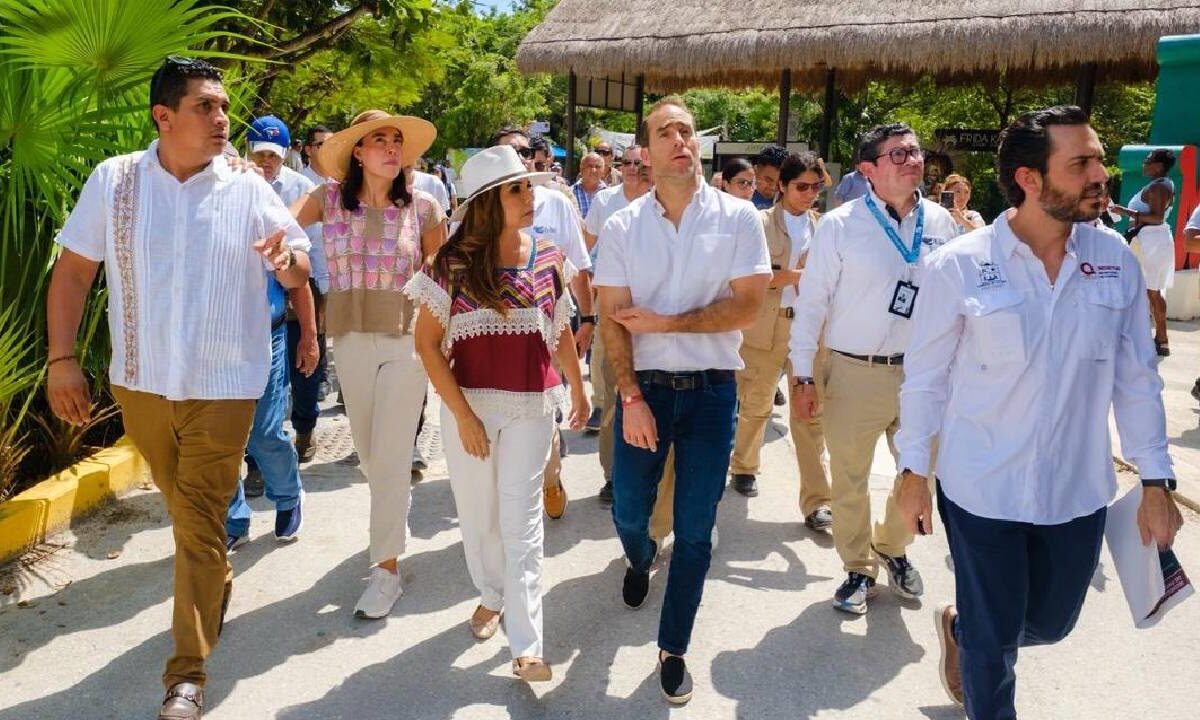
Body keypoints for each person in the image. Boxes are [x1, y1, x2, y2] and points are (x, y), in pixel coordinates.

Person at [894, 105, 1183, 719]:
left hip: (1075, 492)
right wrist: (913, 473)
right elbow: (925, 380)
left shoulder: (1115, 261)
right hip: (981, 491)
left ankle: (963, 627)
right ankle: (982, 660)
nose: (1100, 173)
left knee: (1051, 626)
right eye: (1081, 163)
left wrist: (1157, 482)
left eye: (1099, 158)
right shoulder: (960, 265)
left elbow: (1137, 381)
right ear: (1029, 178)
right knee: (997, 647)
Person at [45, 56, 310, 720]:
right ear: (164, 117)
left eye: (224, 106)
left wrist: (287, 261)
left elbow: (299, 262)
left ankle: (186, 675)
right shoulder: (116, 182)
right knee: (192, 519)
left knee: (196, 521)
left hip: (226, 386)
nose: (223, 119)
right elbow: (74, 271)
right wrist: (61, 358)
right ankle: (214, 578)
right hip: (141, 384)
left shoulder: (248, 188)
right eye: (205, 107)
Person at [594, 96, 771, 704]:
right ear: (646, 150)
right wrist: (630, 395)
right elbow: (612, 318)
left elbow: (750, 304)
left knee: (697, 530)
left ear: (700, 143)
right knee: (626, 513)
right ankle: (639, 558)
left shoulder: (739, 218)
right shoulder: (621, 225)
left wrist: (667, 325)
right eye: (665, 131)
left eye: (687, 130)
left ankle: (673, 649)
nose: (679, 139)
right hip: (644, 392)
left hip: (712, 393)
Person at [407, 145, 588, 683]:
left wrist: (578, 388)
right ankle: (491, 594)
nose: (530, 197)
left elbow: (559, 335)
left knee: (522, 523)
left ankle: (527, 646)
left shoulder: (551, 255)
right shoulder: (451, 262)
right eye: (516, 189)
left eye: (530, 186)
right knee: (479, 516)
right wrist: (462, 416)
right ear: (488, 203)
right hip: (470, 408)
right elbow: (427, 346)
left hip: (532, 407)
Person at [790, 122, 958, 615]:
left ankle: (893, 546)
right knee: (850, 477)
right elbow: (812, 305)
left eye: (915, 151)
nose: (912, 159)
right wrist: (803, 376)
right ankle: (857, 568)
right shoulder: (840, 226)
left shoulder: (942, 223)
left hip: (924, 374)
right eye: (898, 153)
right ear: (868, 169)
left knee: (920, 472)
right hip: (854, 371)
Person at [291, 109, 445, 620]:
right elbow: (281, 226)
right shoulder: (328, 199)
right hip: (350, 342)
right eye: (378, 140)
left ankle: (386, 569)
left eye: (396, 140)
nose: (390, 148)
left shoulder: (423, 206)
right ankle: (389, 534)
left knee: (392, 453)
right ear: (357, 152)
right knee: (369, 455)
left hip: (405, 343)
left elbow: (441, 272)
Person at [224, 115, 319, 549]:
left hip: (268, 334)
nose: (263, 163)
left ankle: (287, 495)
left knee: (264, 431)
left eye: (271, 156)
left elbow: (298, 276)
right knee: (222, 439)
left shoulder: (268, 200)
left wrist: (311, 336)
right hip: (214, 343)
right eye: (257, 154)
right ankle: (233, 518)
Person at [491, 126, 595, 520]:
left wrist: (587, 319)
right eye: (505, 153)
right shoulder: (475, 219)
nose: (515, 159)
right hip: (494, 341)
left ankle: (549, 477)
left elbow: (580, 267)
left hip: (546, 333)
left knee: (542, 414)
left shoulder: (555, 204)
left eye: (521, 151)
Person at [730, 151, 834, 529]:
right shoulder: (758, 223)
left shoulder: (826, 227)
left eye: (816, 186)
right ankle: (744, 465)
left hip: (809, 331)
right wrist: (793, 276)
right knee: (755, 404)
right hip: (765, 328)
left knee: (811, 415)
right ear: (783, 187)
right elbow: (746, 275)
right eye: (802, 186)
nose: (810, 193)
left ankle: (818, 502)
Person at [1112, 148, 1177, 356]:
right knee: (1151, 290)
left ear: (1158, 165)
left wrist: (1124, 211)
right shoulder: (1160, 184)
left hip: (1152, 243)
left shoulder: (1159, 186)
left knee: (1152, 290)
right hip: (1149, 241)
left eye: (1147, 160)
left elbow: (1157, 217)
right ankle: (1160, 339)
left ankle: (1161, 339)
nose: (1144, 164)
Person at [572, 151, 608, 220]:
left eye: (597, 167)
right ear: (581, 169)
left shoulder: (610, 195)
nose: (593, 170)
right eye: (590, 166)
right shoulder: (570, 193)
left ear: (603, 171)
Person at [751, 145, 788, 210]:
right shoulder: (738, 196)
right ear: (755, 170)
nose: (773, 187)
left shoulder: (790, 201)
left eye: (778, 183)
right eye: (768, 180)